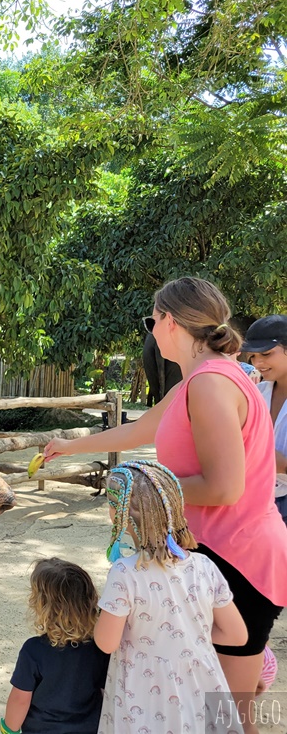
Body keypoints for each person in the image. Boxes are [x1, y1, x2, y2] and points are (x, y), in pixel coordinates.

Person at [44, 277, 287, 734]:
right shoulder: (199, 379)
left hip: (238, 557)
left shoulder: (211, 383)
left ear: (169, 321)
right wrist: (69, 446)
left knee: (226, 715)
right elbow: (141, 430)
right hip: (221, 551)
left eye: (151, 320)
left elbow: (222, 488)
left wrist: (144, 486)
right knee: (217, 711)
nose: (150, 330)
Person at [93, 460, 247, 733]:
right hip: (200, 685)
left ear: (121, 516)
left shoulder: (125, 573)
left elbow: (106, 643)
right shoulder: (204, 566)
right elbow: (237, 635)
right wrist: (187, 636)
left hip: (144, 692)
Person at [2, 557, 109, 734]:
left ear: (42, 607)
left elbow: (20, 700)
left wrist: (8, 730)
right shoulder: (99, 648)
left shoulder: (33, 650)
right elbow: (106, 691)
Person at [241, 314, 287, 526]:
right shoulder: (256, 394)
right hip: (257, 501)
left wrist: (282, 465)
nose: (258, 363)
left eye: (266, 354)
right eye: (252, 357)